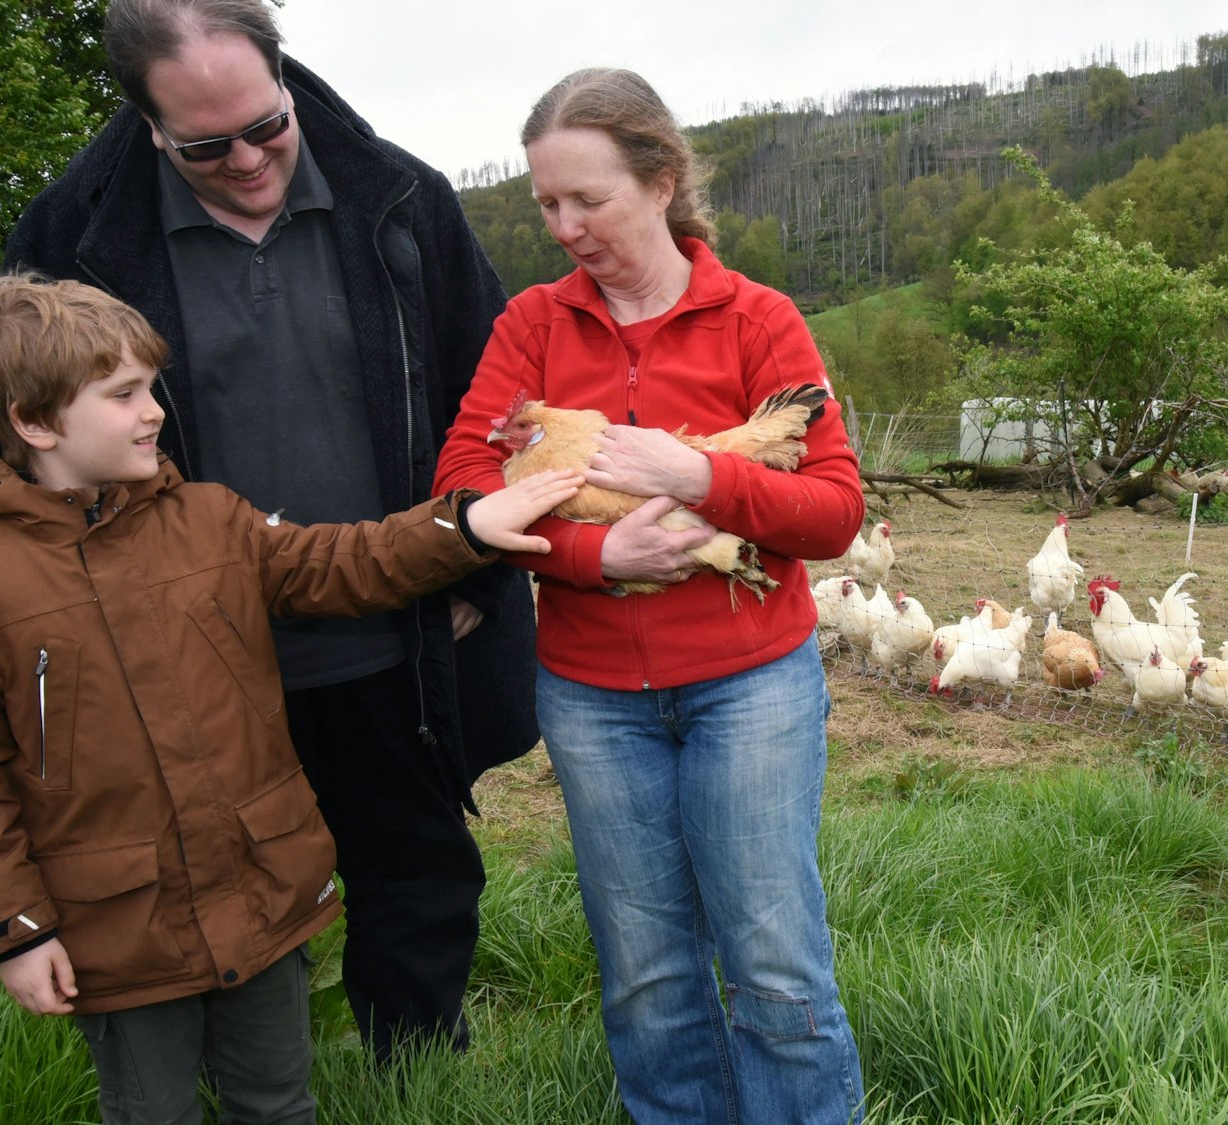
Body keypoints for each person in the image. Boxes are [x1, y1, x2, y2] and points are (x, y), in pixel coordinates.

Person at [0, 274, 580, 1124]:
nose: (153, 410)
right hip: (118, 926)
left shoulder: (212, 520)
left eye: (152, 385)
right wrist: (17, 929)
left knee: (277, 1102)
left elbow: (345, 561)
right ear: (35, 422)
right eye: (122, 395)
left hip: (261, 898)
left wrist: (467, 524)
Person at [1, 0, 537, 1063]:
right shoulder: (71, 241)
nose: (248, 160)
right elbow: (22, 439)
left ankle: (415, 1069)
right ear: (146, 125)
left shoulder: (402, 199)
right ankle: (252, 1080)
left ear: (285, 79)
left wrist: (471, 577)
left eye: (267, 125)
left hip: (398, 617)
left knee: (414, 863)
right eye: (205, 146)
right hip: (191, 647)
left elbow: (498, 395)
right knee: (217, 882)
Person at [432, 68, 866, 1125]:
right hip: (591, 696)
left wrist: (695, 478)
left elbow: (832, 510)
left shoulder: (754, 318)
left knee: (773, 962)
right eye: (546, 203)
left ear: (661, 180)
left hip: (748, 685)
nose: (564, 226)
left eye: (590, 199)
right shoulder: (533, 325)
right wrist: (593, 557)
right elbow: (461, 488)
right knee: (642, 970)